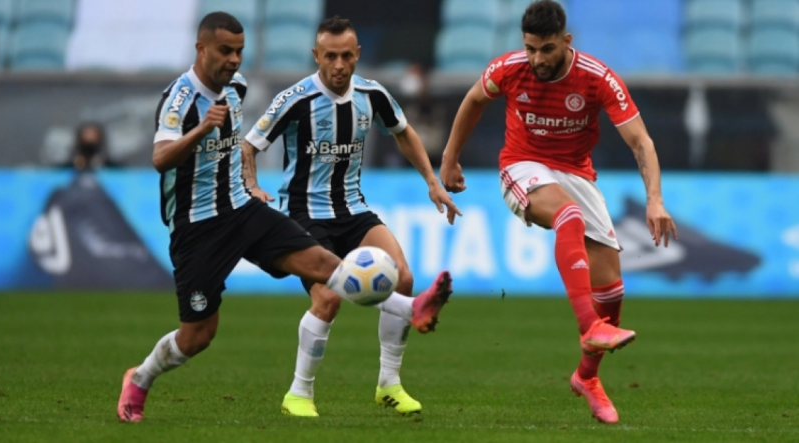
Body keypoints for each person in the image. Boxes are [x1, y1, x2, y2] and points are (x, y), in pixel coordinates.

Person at [117, 12, 372, 423]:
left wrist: (250, 182)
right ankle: (141, 377)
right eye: (225, 51)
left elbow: (240, 148)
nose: (234, 60)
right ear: (201, 49)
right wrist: (200, 130)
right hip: (198, 227)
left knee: (329, 267)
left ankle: (407, 310)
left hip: (242, 209)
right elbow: (160, 158)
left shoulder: (237, 86)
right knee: (197, 336)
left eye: (239, 51)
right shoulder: (179, 99)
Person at [439, 0, 678, 424]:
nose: (536, 59)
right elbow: (474, 100)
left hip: (576, 175)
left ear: (566, 42)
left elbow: (642, 142)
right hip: (521, 166)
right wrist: (449, 159)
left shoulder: (596, 77)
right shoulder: (510, 68)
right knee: (567, 217)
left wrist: (654, 199)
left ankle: (587, 376)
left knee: (613, 294)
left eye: (546, 49)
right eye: (530, 48)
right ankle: (589, 325)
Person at [242, 16, 461, 417]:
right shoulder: (295, 98)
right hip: (304, 215)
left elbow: (403, 131)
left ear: (357, 54)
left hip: (354, 210)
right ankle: (299, 393)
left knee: (404, 278)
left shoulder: (372, 94)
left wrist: (431, 180)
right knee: (327, 299)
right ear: (316, 56)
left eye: (347, 56)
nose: (339, 65)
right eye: (330, 56)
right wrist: (253, 186)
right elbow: (249, 145)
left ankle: (389, 385)